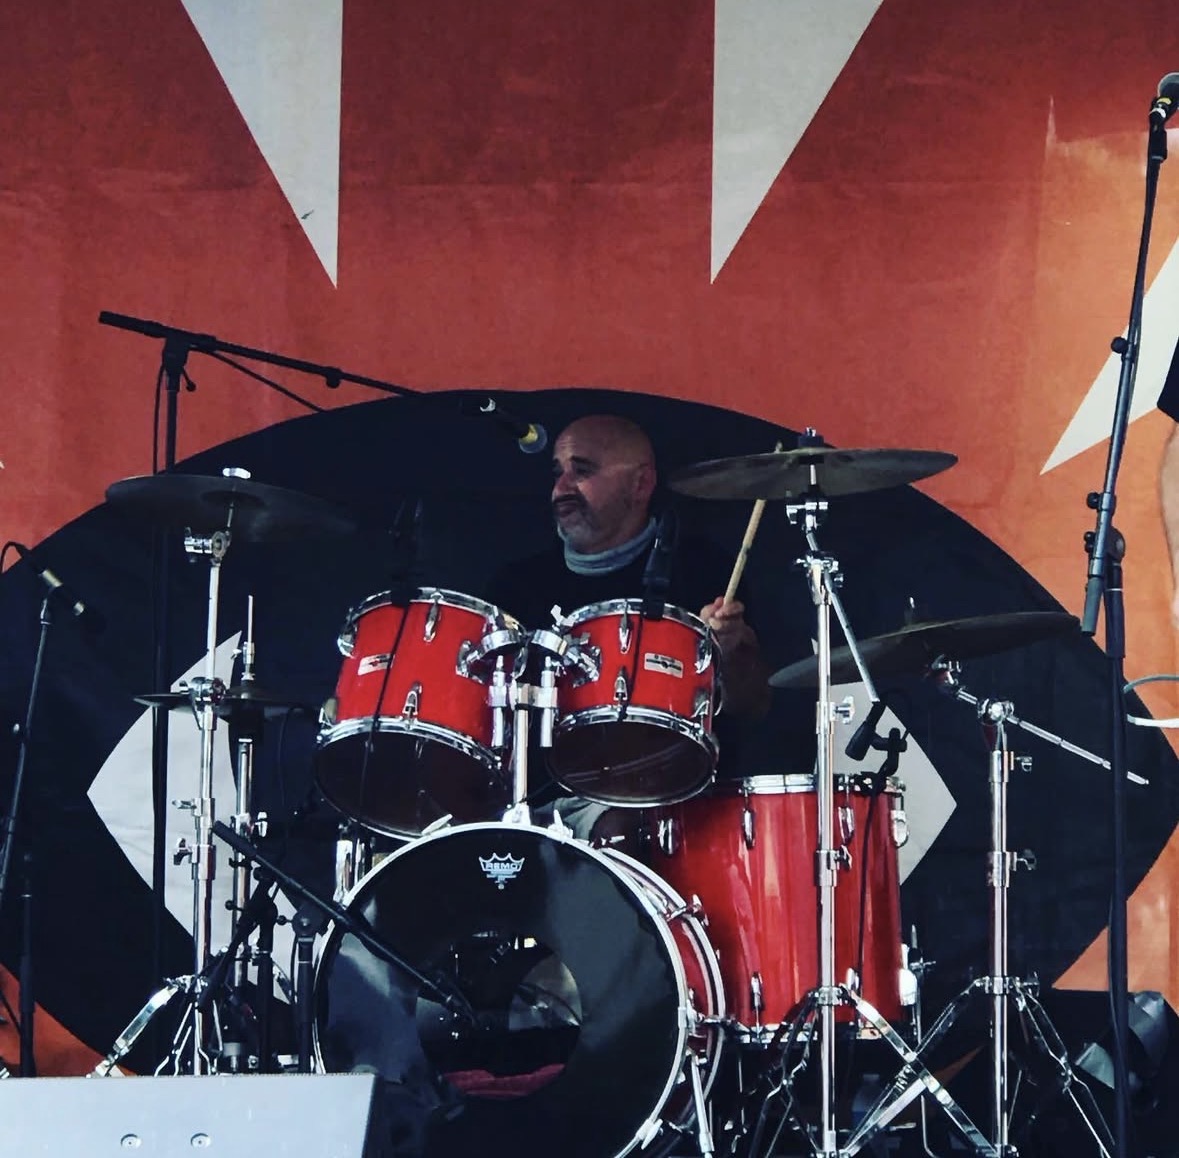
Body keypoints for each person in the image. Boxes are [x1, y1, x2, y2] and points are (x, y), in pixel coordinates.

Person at [483, 413, 771, 839]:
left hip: (663, 806)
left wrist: (732, 651)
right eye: (558, 473)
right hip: (528, 803)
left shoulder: (701, 573)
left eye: (582, 471)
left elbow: (752, 706)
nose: (561, 489)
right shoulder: (516, 586)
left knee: (621, 827)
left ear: (641, 484)